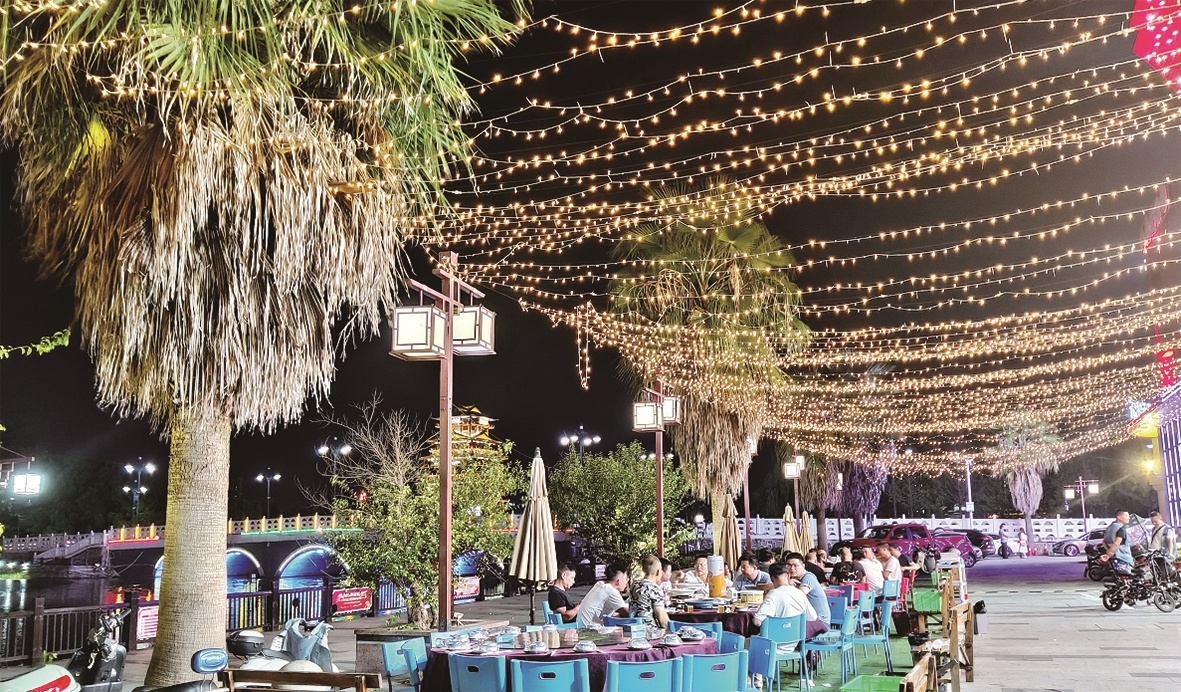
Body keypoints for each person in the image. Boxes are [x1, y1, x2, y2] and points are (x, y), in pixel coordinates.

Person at [753, 563, 827, 639]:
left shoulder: (773, 595)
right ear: (788, 576)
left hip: (774, 641)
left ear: (771, 579)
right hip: (797, 640)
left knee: (747, 641)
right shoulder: (800, 593)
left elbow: (757, 621)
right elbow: (813, 617)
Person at [576, 563, 630, 627]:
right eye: (626, 579)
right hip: (589, 630)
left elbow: (613, 614)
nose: (626, 582)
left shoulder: (600, 584)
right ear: (619, 581)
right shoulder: (610, 590)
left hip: (581, 627)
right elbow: (629, 614)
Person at [784, 552, 831, 627]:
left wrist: (787, 585)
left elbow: (797, 598)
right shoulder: (796, 579)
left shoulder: (808, 577)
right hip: (808, 620)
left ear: (803, 566)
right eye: (789, 565)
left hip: (820, 623)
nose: (792, 568)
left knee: (786, 627)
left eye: (795, 565)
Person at [630, 555, 669, 628]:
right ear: (657, 572)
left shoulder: (634, 585)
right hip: (650, 630)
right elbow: (662, 620)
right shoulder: (654, 588)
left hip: (634, 628)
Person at [1102, 510, 1134, 576]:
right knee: (1126, 577)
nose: (1129, 518)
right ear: (1119, 517)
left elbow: (1103, 541)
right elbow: (1117, 543)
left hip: (1113, 558)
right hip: (1123, 557)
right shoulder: (1121, 528)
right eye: (1126, 516)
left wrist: (1108, 552)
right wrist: (1109, 554)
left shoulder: (1110, 527)